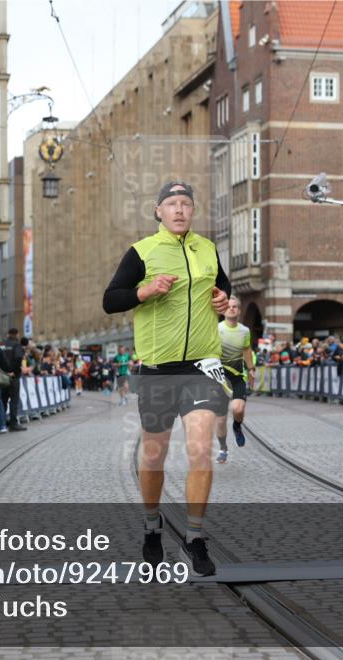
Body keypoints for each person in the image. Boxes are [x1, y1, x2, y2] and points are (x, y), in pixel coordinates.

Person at [102, 180, 230, 576]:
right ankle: (152, 523)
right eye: (172, 204)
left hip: (201, 366)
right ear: (158, 211)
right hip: (158, 369)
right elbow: (111, 300)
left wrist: (226, 301)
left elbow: (222, 288)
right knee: (154, 456)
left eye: (186, 204)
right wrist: (145, 291)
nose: (179, 210)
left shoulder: (206, 249)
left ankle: (194, 537)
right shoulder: (142, 252)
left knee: (201, 450)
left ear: (193, 211)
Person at [215, 296, 254, 464]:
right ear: (223, 310)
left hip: (237, 376)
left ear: (239, 310)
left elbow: (246, 349)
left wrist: (251, 369)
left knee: (238, 409)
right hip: (218, 378)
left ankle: (237, 426)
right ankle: (223, 448)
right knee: (221, 418)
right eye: (229, 306)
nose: (231, 309)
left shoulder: (245, 331)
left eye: (235, 307)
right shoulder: (215, 329)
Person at [1, 328, 27, 431]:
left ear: (8, 334)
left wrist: (4, 371)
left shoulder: (2, 344)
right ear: (17, 334)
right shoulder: (17, 345)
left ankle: (2, 423)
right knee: (14, 400)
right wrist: (14, 372)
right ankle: (13, 423)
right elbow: (18, 359)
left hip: (2, 376)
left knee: (3, 400)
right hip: (13, 377)